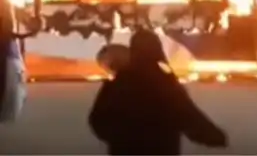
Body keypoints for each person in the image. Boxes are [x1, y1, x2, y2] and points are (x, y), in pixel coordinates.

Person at [88, 29, 228, 155]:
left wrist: (120, 138)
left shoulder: (117, 85)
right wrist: (213, 136)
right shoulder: (166, 84)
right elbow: (188, 115)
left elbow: (98, 120)